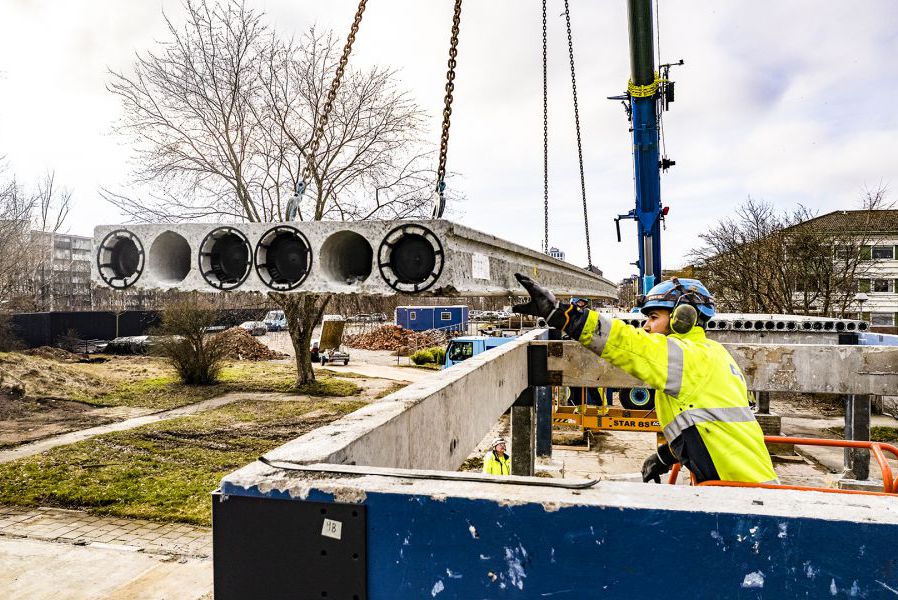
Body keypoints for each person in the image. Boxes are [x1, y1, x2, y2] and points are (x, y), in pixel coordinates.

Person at [513, 273, 777, 485]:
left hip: (742, 495)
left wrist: (561, 314)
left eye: (653, 317)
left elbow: (626, 344)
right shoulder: (711, 355)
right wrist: (664, 457)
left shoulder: (688, 358)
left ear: (683, 319)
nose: (646, 326)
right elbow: (711, 430)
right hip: (749, 486)